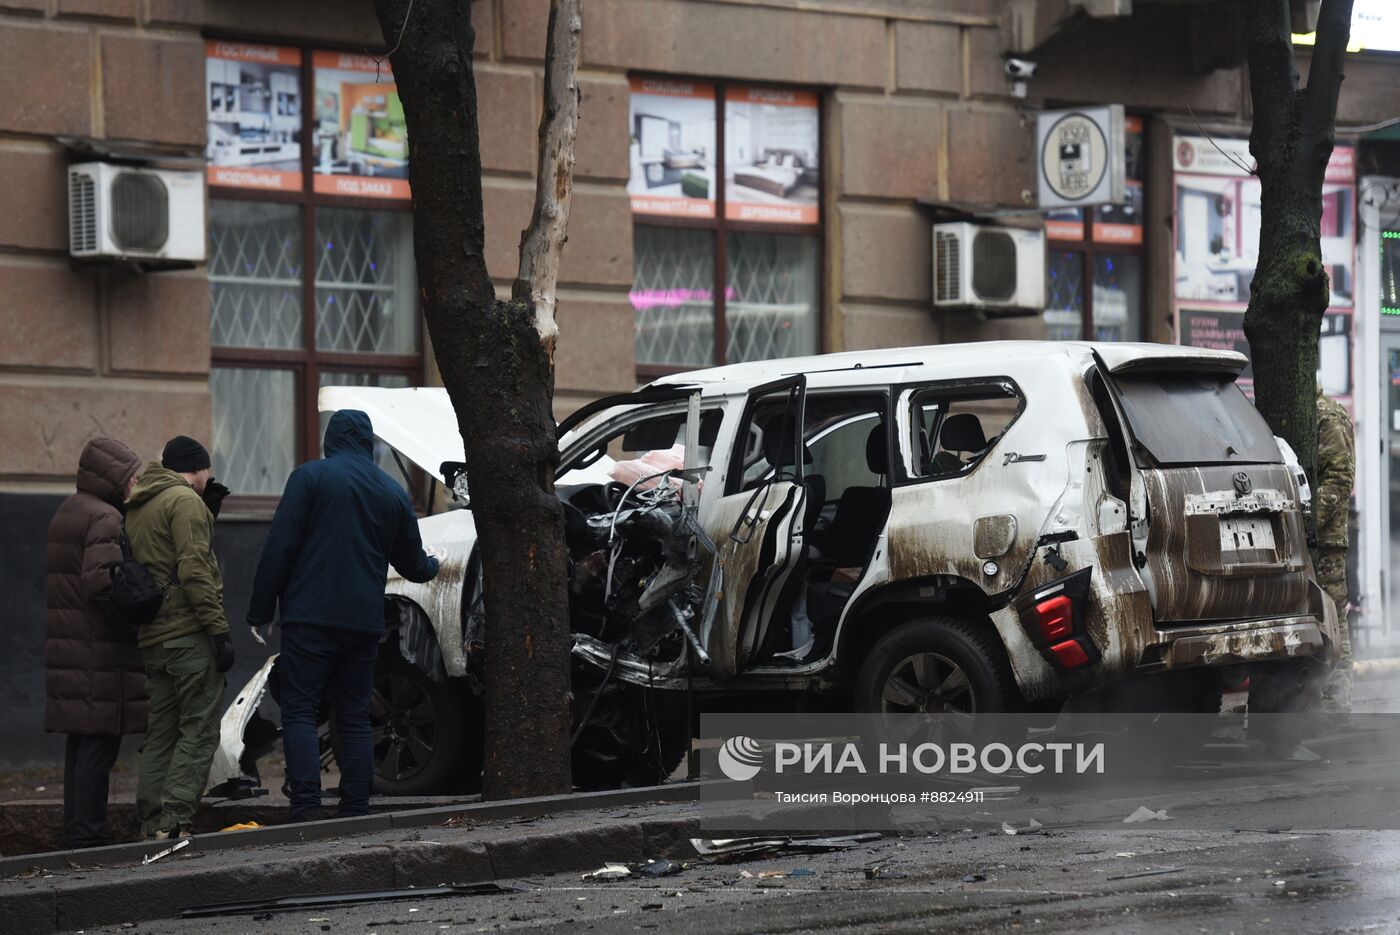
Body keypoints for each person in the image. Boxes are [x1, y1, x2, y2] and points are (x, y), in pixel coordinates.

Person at [247, 410, 439, 822]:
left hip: (309, 619)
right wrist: (434, 565)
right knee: (352, 714)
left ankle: (306, 808)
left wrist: (260, 609)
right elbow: (413, 565)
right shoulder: (391, 492)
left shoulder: (309, 478)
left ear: (330, 440)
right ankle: (355, 807)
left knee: (299, 709)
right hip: (363, 624)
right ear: (369, 443)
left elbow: (280, 546)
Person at [125, 436, 233, 840]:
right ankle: (172, 823)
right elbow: (193, 571)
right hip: (189, 635)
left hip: (153, 638)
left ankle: (151, 821)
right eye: (207, 470)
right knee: (198, 729)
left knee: (162, 733)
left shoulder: (140, 503)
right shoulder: (185, 502)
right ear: (198, 469)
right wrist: (218, 631)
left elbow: (161, 559)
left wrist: (207, 515)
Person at [43, 438, 147, 848]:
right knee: (100, 743)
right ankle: (88, 832)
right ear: (114, 477)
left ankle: (78, 828)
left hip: (73, 646)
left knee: (82, 741)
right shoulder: (105, 516)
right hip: (100, 650)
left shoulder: (68, 510)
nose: (136, 485)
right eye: (132, 477)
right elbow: (100, 585)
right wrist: (134, 615)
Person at [1316, 385, 1355, 713]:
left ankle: (1337, 700)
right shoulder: (1306, 415)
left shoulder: (1327, 416)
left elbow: (1341, 477)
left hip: (1326, 542)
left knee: (1334, 618)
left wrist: (1307, 519)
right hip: (1309, 540)